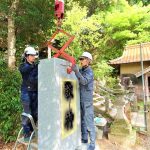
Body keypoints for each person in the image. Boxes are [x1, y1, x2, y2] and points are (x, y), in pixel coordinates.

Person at [72, 52, 96, 150]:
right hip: (80, 100)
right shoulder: (82, 70)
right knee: (82, 121)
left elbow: (84, 81)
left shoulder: (89, 71)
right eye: (80, 59)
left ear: (88, 61)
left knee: (89, 122)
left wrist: (76, 71)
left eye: (83, 59)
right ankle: (85, 138)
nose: (81, 61)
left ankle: (92, 144)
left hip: (87, 101)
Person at [19, 46, 38, 141]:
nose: (34, 57)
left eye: (34, 55)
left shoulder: (35, 66)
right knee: (27, 113)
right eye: (32, 55)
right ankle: (26, 134)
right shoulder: (23, 66)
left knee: (35, 113)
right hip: (26, 92)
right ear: (26, 56)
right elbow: (25, 70)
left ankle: (32, 131)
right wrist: (35, 66)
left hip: (35, 92)